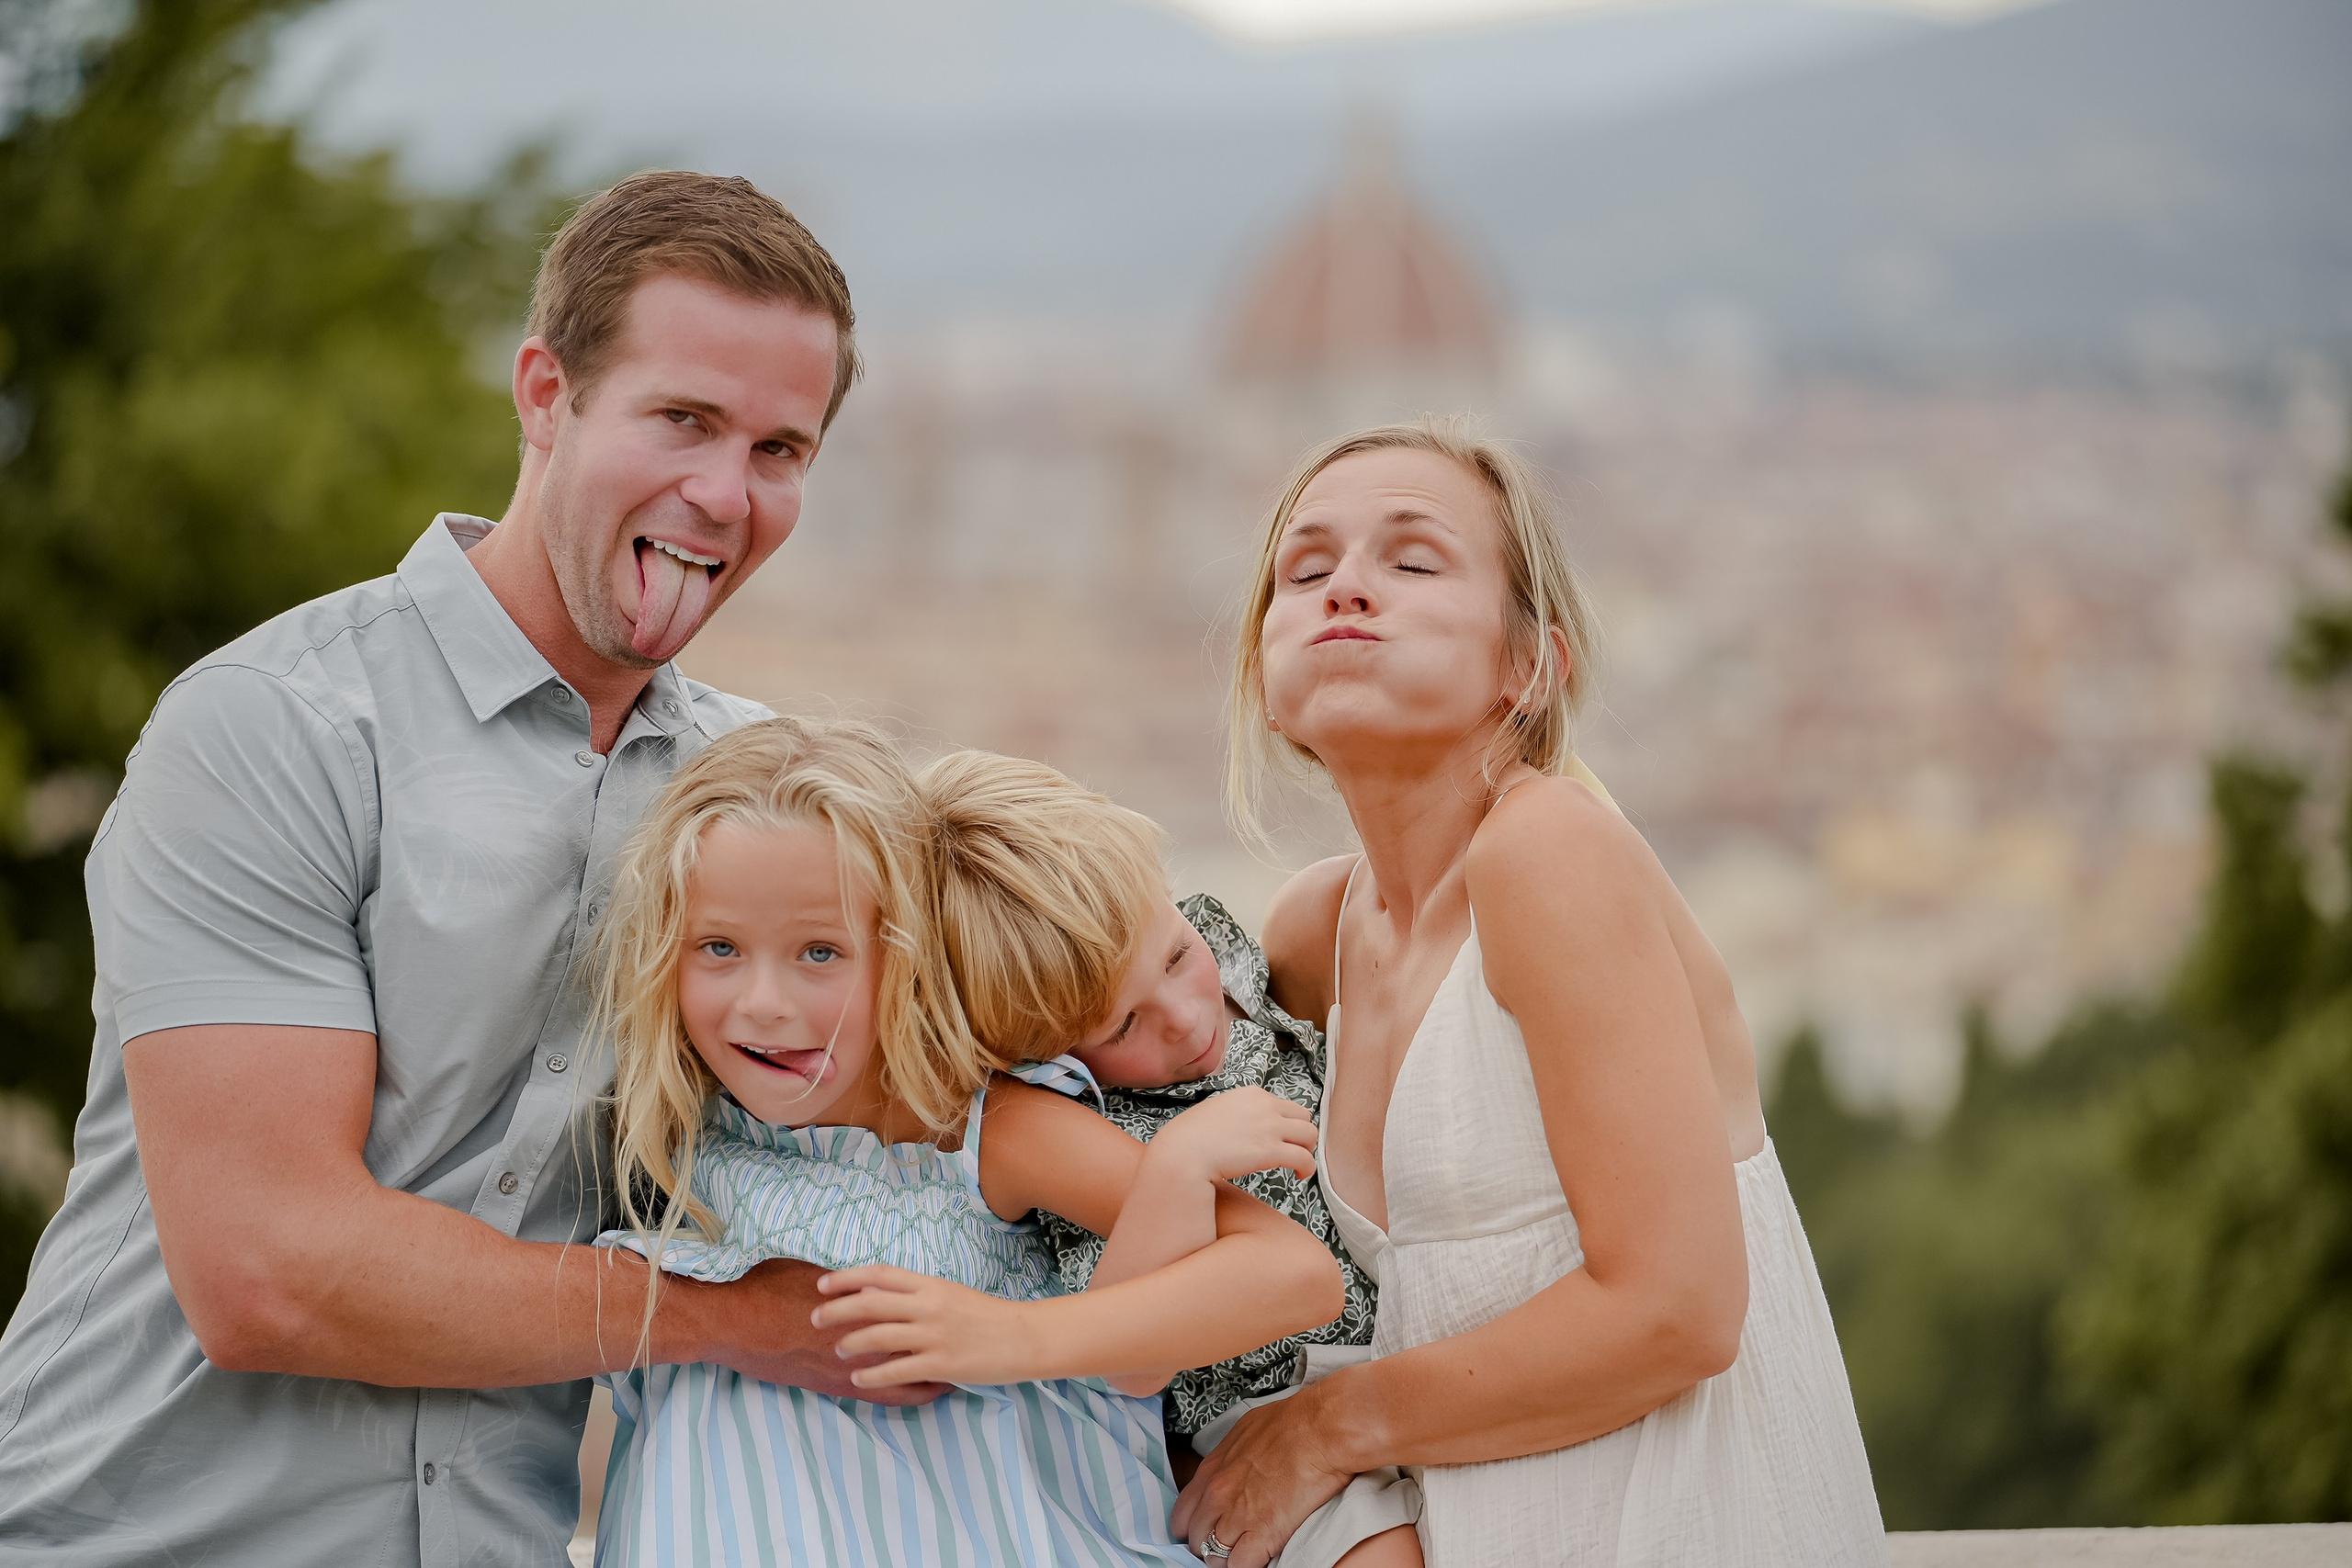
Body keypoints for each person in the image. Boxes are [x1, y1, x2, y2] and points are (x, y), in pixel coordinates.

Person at [0, 172, 893, 1567]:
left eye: (779, 448)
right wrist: (734, 1322)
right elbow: (269, 1270)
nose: (724, 493)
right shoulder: (278, 726)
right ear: (545, 395)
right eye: (682, 419)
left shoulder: (764, 798)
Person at [1171, 418, 1886, 1567]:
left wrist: (1321, 1429)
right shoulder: (1314, 932)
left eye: (1413, 560)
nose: (1345, 586)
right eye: (1304, 572)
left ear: (1530, 667)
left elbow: (1679, 1310)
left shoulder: (1547, 852)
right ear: (1264, 679)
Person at [589, 723, 1343, 1565]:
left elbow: (1296, 1272)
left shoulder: (980, 1130)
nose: (764, 1001)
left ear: (907, 955)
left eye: (821, 951)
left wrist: (1013, 1334)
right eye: (719, 947)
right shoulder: (680, 1130)